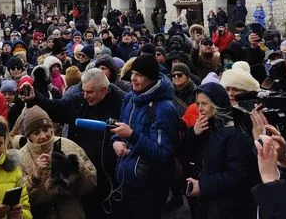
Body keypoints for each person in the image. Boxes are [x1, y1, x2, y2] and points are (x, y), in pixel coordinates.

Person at [22, 68, 123, 219]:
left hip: (108, 178)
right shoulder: (79, 101)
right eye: (83, 91)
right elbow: (57, 108)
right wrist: (35, 97)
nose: (85, 95)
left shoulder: (121, 103)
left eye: (90, 92)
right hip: (77, 176)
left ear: (103, 90)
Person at [110, 52, 179, 218]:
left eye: (139, 75)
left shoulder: (164, 108)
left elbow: (162, 153)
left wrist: (132, 136)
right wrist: (116, 142)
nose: (133, 78)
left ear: (151, 78)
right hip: (127, 180)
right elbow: (121, 129)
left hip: (150, 187)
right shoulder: (130, 99)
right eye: (133, 73)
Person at [185, 83, 259, 218]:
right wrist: (194, 134)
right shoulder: (207, 126)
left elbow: (238, 175)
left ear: (216, 104)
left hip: (227, 207)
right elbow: (190, 154)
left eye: (204, 104)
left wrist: (203, 185)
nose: (200, 109)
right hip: (210, 202)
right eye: (197, 104)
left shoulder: (235, 133)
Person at [19, 106, 97, 219]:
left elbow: (92, 182)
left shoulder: (69, 145)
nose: (43, 136)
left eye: (46, 130)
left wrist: (74, 168)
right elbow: (21, 198)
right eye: (36, 133)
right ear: (28, 136)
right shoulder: (21, 156)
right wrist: (35, 176)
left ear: (52, 129)